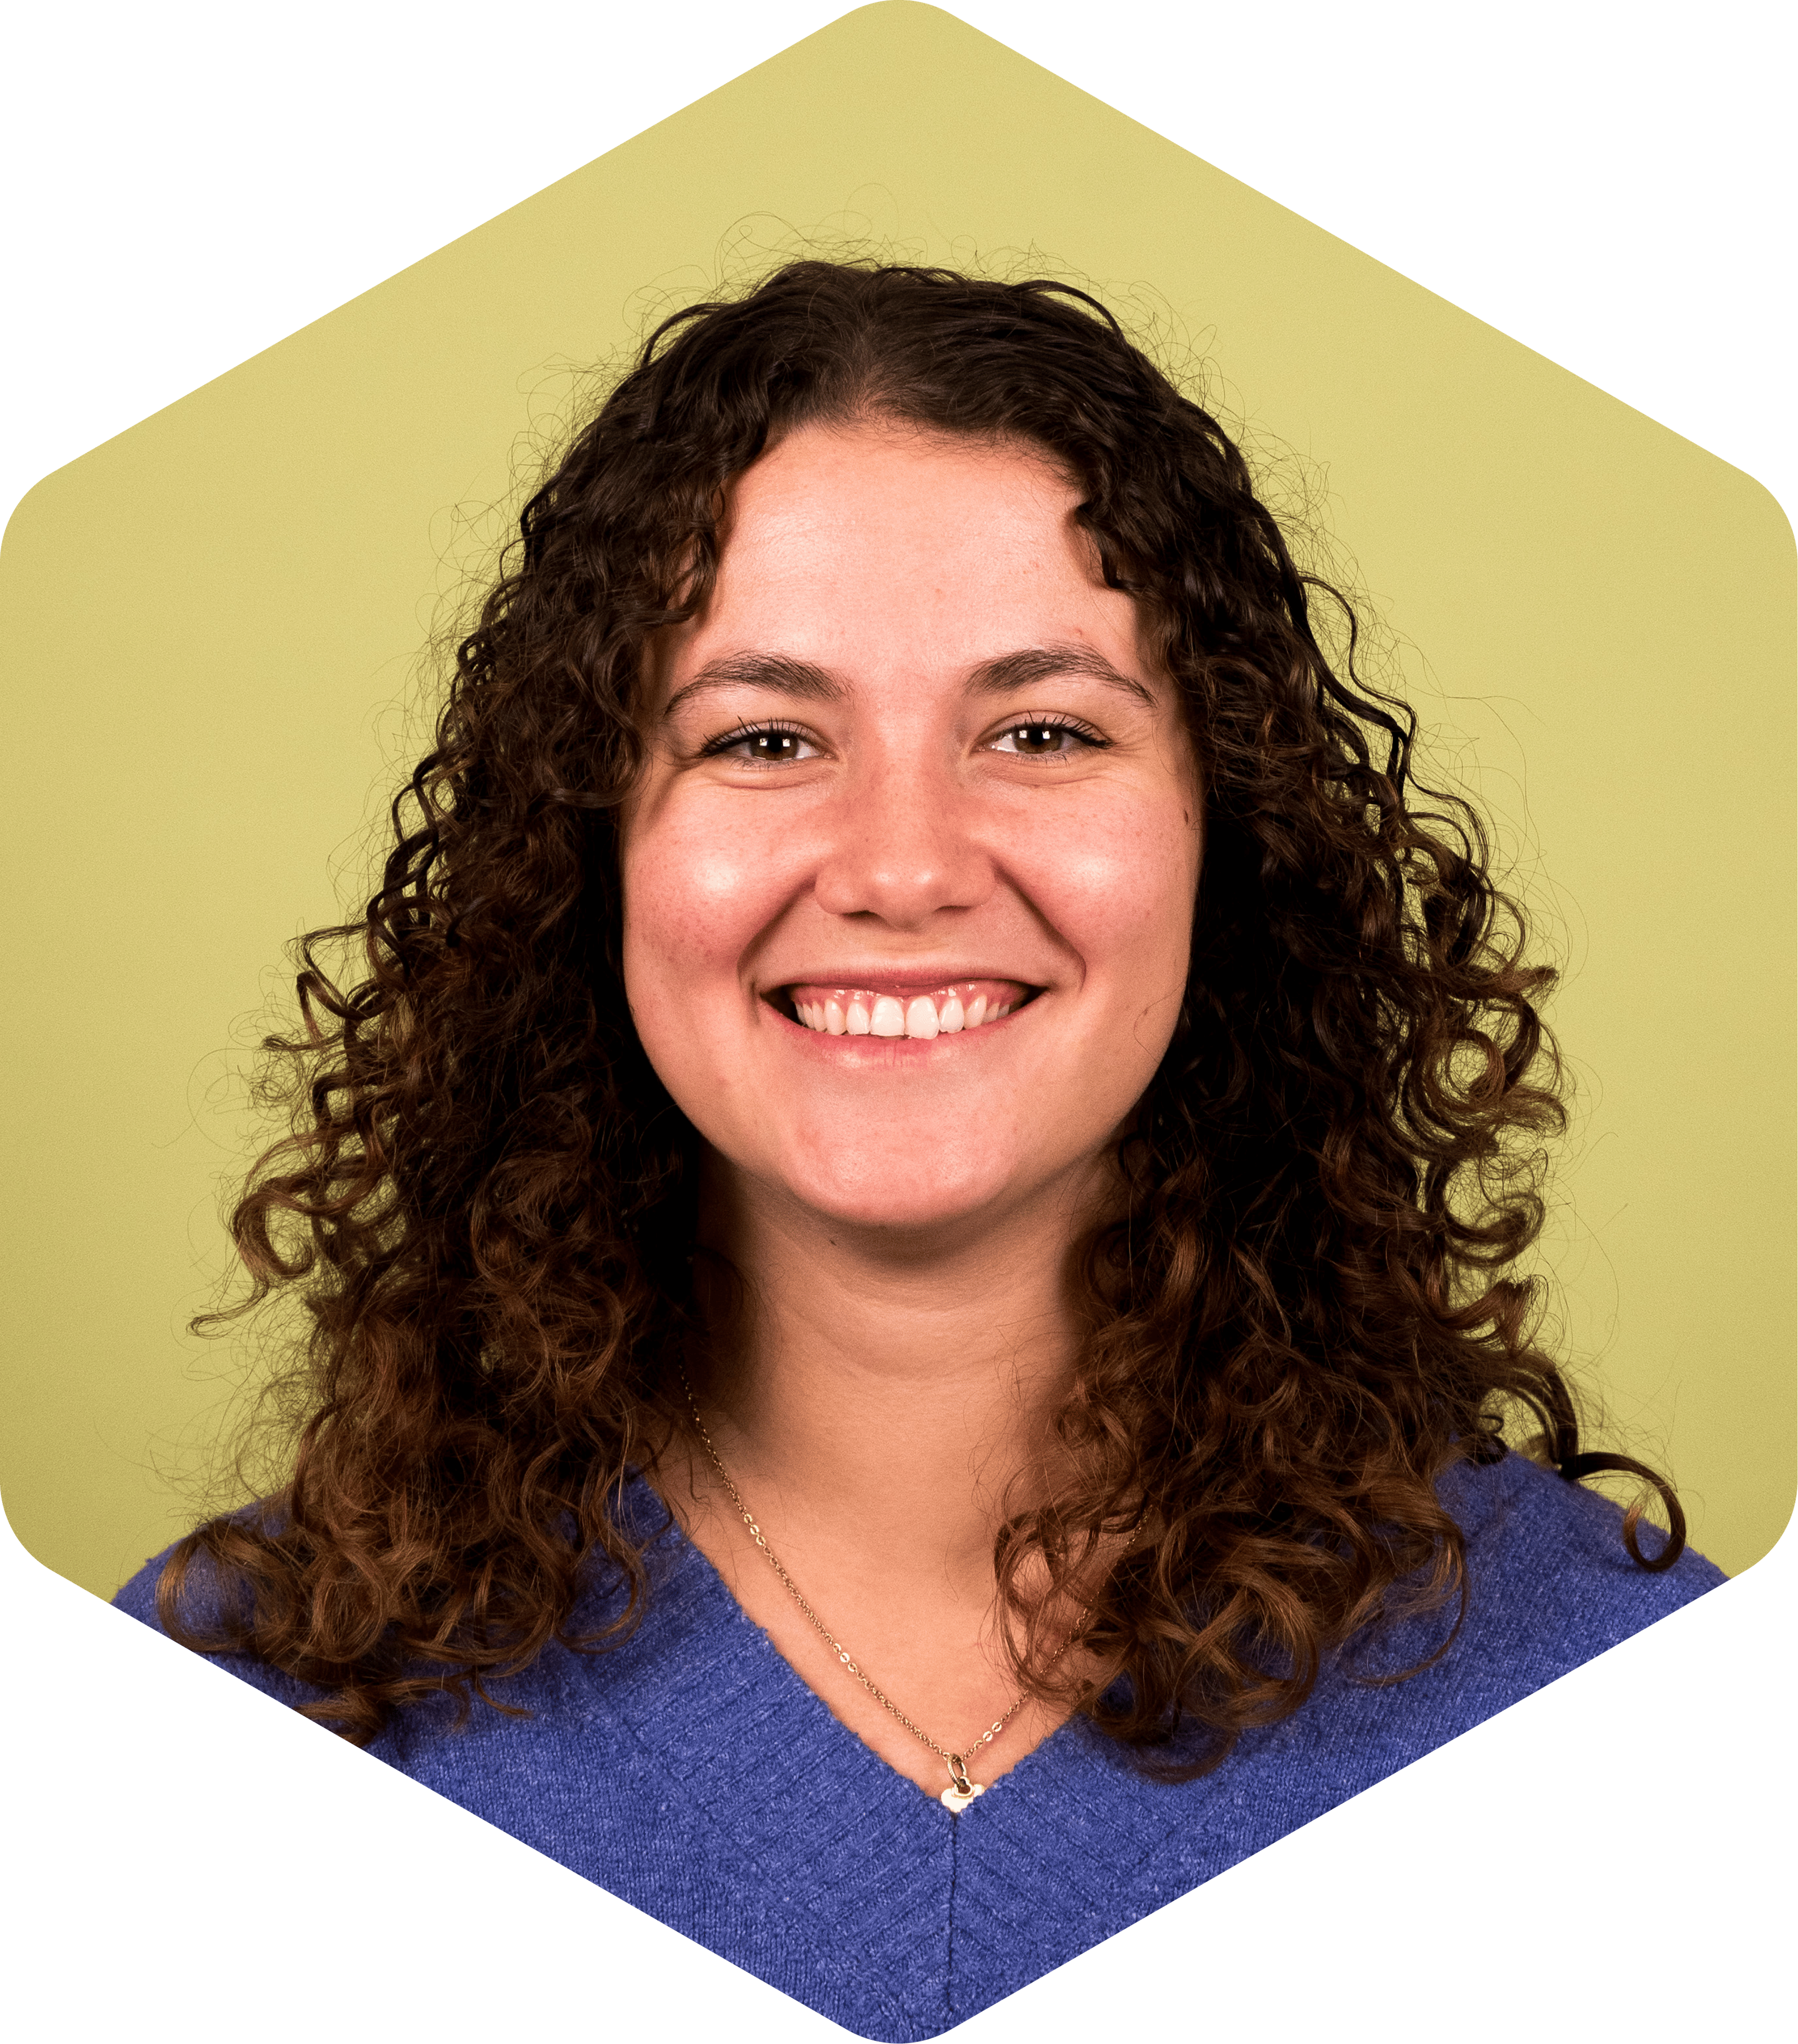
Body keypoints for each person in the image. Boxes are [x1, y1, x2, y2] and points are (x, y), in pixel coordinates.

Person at [115, 261, 1721, 2042]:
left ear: (1225, 837)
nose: (901, 864)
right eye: (764, 737)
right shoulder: (246, 1706)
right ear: (593, 855)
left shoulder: (1621, 1699)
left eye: (1041, 730)